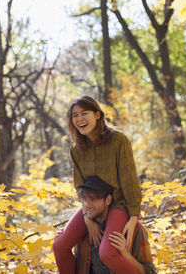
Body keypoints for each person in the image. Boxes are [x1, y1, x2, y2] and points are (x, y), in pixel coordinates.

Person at [53, 95, 142, 274]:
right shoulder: (75, 148)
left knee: (107, 253)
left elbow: (130, 181)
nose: (79, 119)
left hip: (118, 203)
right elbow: (80, 186)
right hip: (91, 205)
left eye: (84, 113)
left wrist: (133, 219)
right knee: (59, 246)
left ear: (98, 115)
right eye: (74, 115)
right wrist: (87, 219)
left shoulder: (118, 140)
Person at [74, 176, 156, 274]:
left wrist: (125, 255)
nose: (87, 204)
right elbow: (77, 266)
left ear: (108, 200)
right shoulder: (84, 231)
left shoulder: (134, 230)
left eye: (93, 199)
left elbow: (149, 272)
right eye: (84, 199)